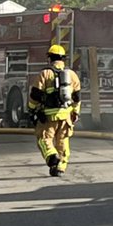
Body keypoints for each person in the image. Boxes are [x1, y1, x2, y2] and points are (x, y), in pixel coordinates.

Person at [28, 44, 81, 177]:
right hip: (66, 117)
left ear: (50, 58)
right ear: (63, 58)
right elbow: (77, 97)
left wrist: (32, 109)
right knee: (63, 142)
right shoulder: (72, 75)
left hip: (48, 117)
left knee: (44, 139)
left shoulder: (45, 73)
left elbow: (35, 95)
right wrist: (75, 112)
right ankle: (60, 168)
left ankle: (52, 157)